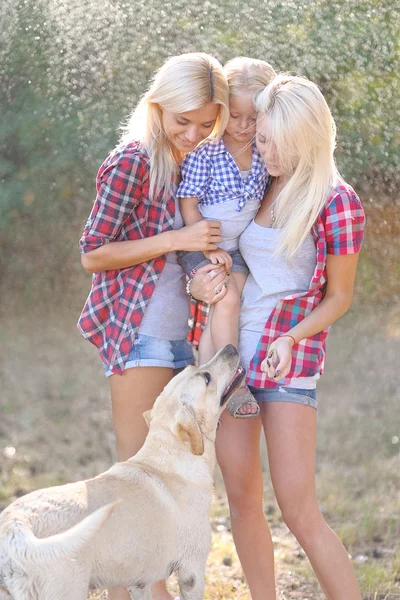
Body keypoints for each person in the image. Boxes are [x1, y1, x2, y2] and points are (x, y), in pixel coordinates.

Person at [190, 74, 366, 599]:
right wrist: (202, 287)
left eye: (267, 140)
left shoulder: (337, 201)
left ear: (298, 138)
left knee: (298, 510)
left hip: (288, 362)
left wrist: (291, 337)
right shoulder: (261, 182)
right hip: (231, 363)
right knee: (242, 501)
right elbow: (233, 264)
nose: (256, 146)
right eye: (259, 137)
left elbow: (339, 296)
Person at [77, 52, 230, 600]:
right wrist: (178, 241)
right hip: (137, 333)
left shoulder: (190, 164)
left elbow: (184, 258)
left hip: (179, 338)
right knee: (135, 478)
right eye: (182, 120)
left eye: (205, 123)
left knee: (162, 481)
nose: (193, 132)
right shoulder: (132, 161)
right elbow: (94, 254)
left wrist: (207, 269)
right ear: (157, 107)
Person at [177, 57, 276, 418]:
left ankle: (200, 389)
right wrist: (207, 246)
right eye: (236, 116)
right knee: (227, 298)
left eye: (254, 119)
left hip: (236, 248)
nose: (244, 126)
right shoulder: (207, 150)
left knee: (223, 309)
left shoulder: (264, 151)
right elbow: (187, 202)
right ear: (222, 109)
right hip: (201, 243)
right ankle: (232, 381)